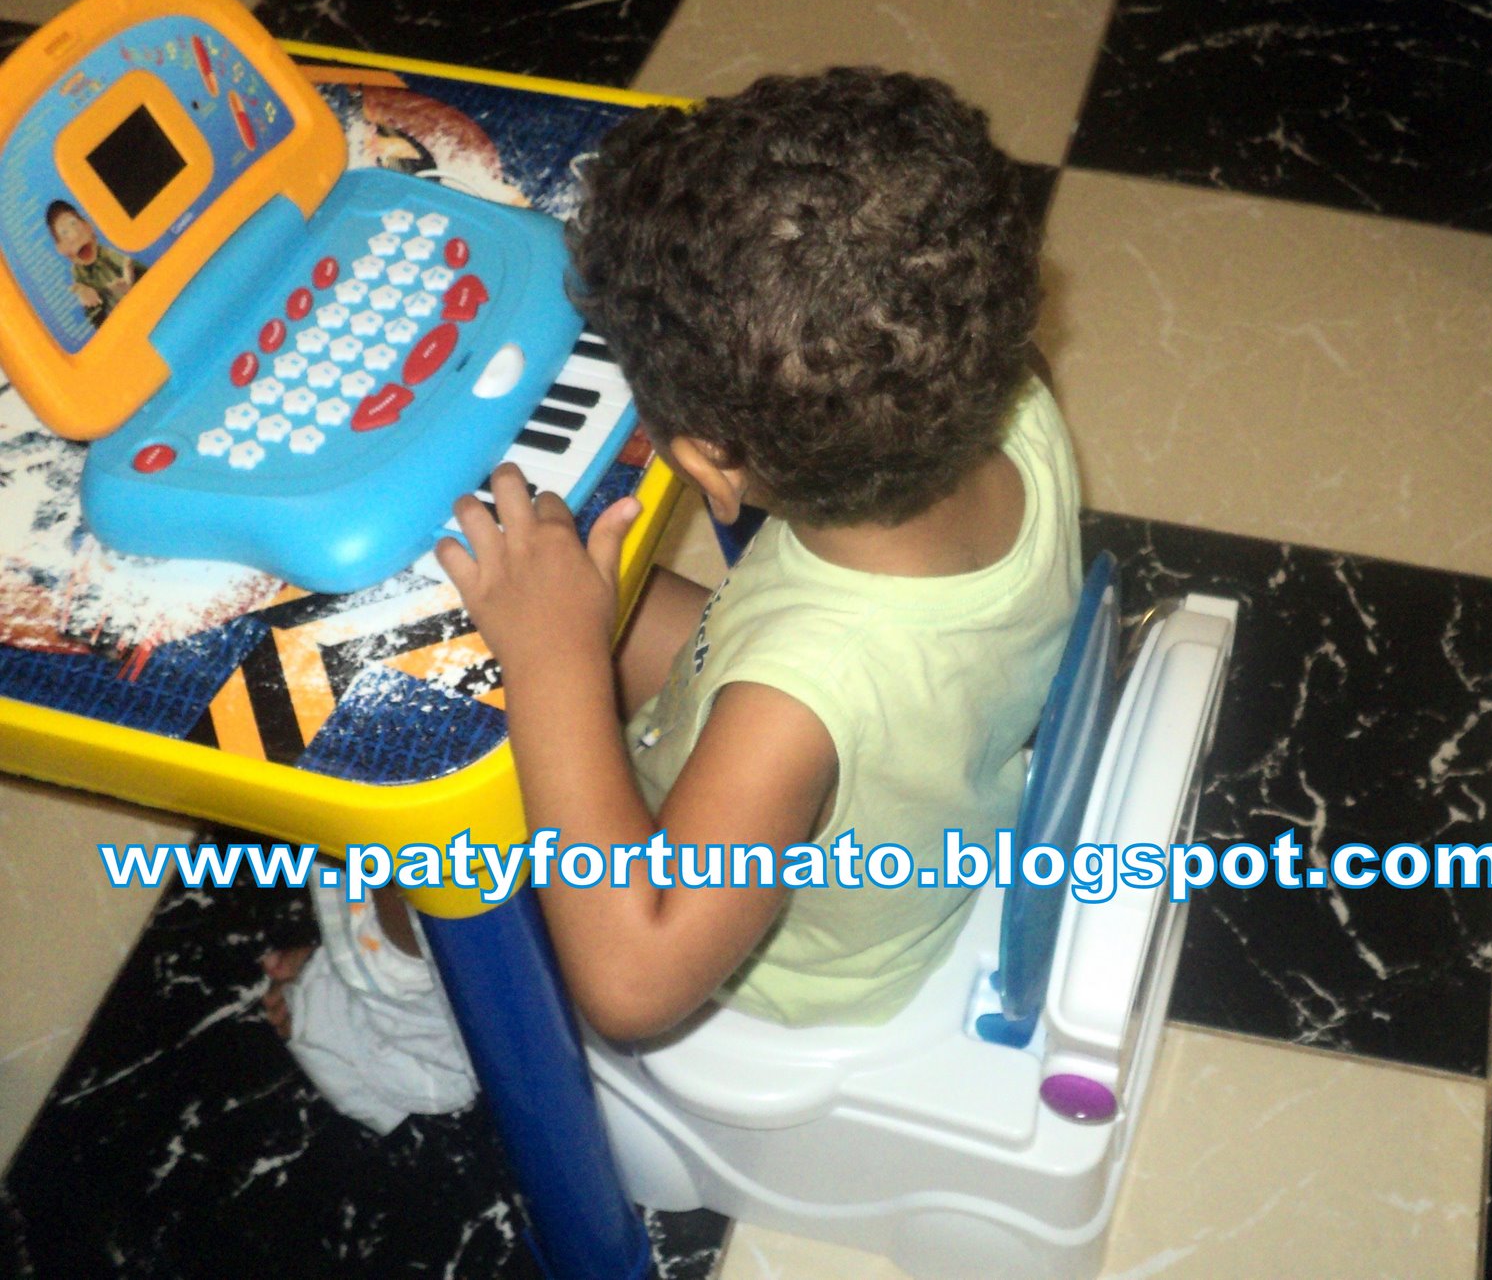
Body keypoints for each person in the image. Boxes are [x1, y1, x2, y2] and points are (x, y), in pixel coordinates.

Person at [262, 67, 1082, 1132]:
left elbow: (634, 983)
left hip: (779, 946)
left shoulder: (792, 706)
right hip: (909, 735)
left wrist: (554, 662)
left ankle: (391, 1016)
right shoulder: (1009, 393)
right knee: (547, 583)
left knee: (411, 854)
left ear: (710, 464)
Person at [44, 201, 145, 327]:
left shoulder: (108, 254)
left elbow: (134, 267)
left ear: (88, 225)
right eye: (64, 232)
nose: (75, 234)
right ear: (61, 248)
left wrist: (132, 283)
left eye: (74, 223)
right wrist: (89, 300)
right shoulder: (78, 275)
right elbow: (97, 321)